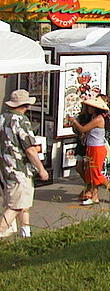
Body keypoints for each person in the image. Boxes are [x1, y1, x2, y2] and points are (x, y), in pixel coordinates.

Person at [0, 90, 50, 238]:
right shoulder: (21, 121)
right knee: (16, 206)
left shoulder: (2, 118)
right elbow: (30, 149)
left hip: (5, 167)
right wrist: (41, 169)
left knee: (22, 202)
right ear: (26, 105)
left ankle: (26, 234)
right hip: (20, 169)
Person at [68, 96, 110, 205]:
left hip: (97, 148)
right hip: (91, 147)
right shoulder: (95, 117)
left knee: (96, 173)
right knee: (90, 173)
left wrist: (74, 121)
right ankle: (94, 196)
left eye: (90, 107)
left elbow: (83, 129)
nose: (88, 109)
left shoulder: (98, 119)